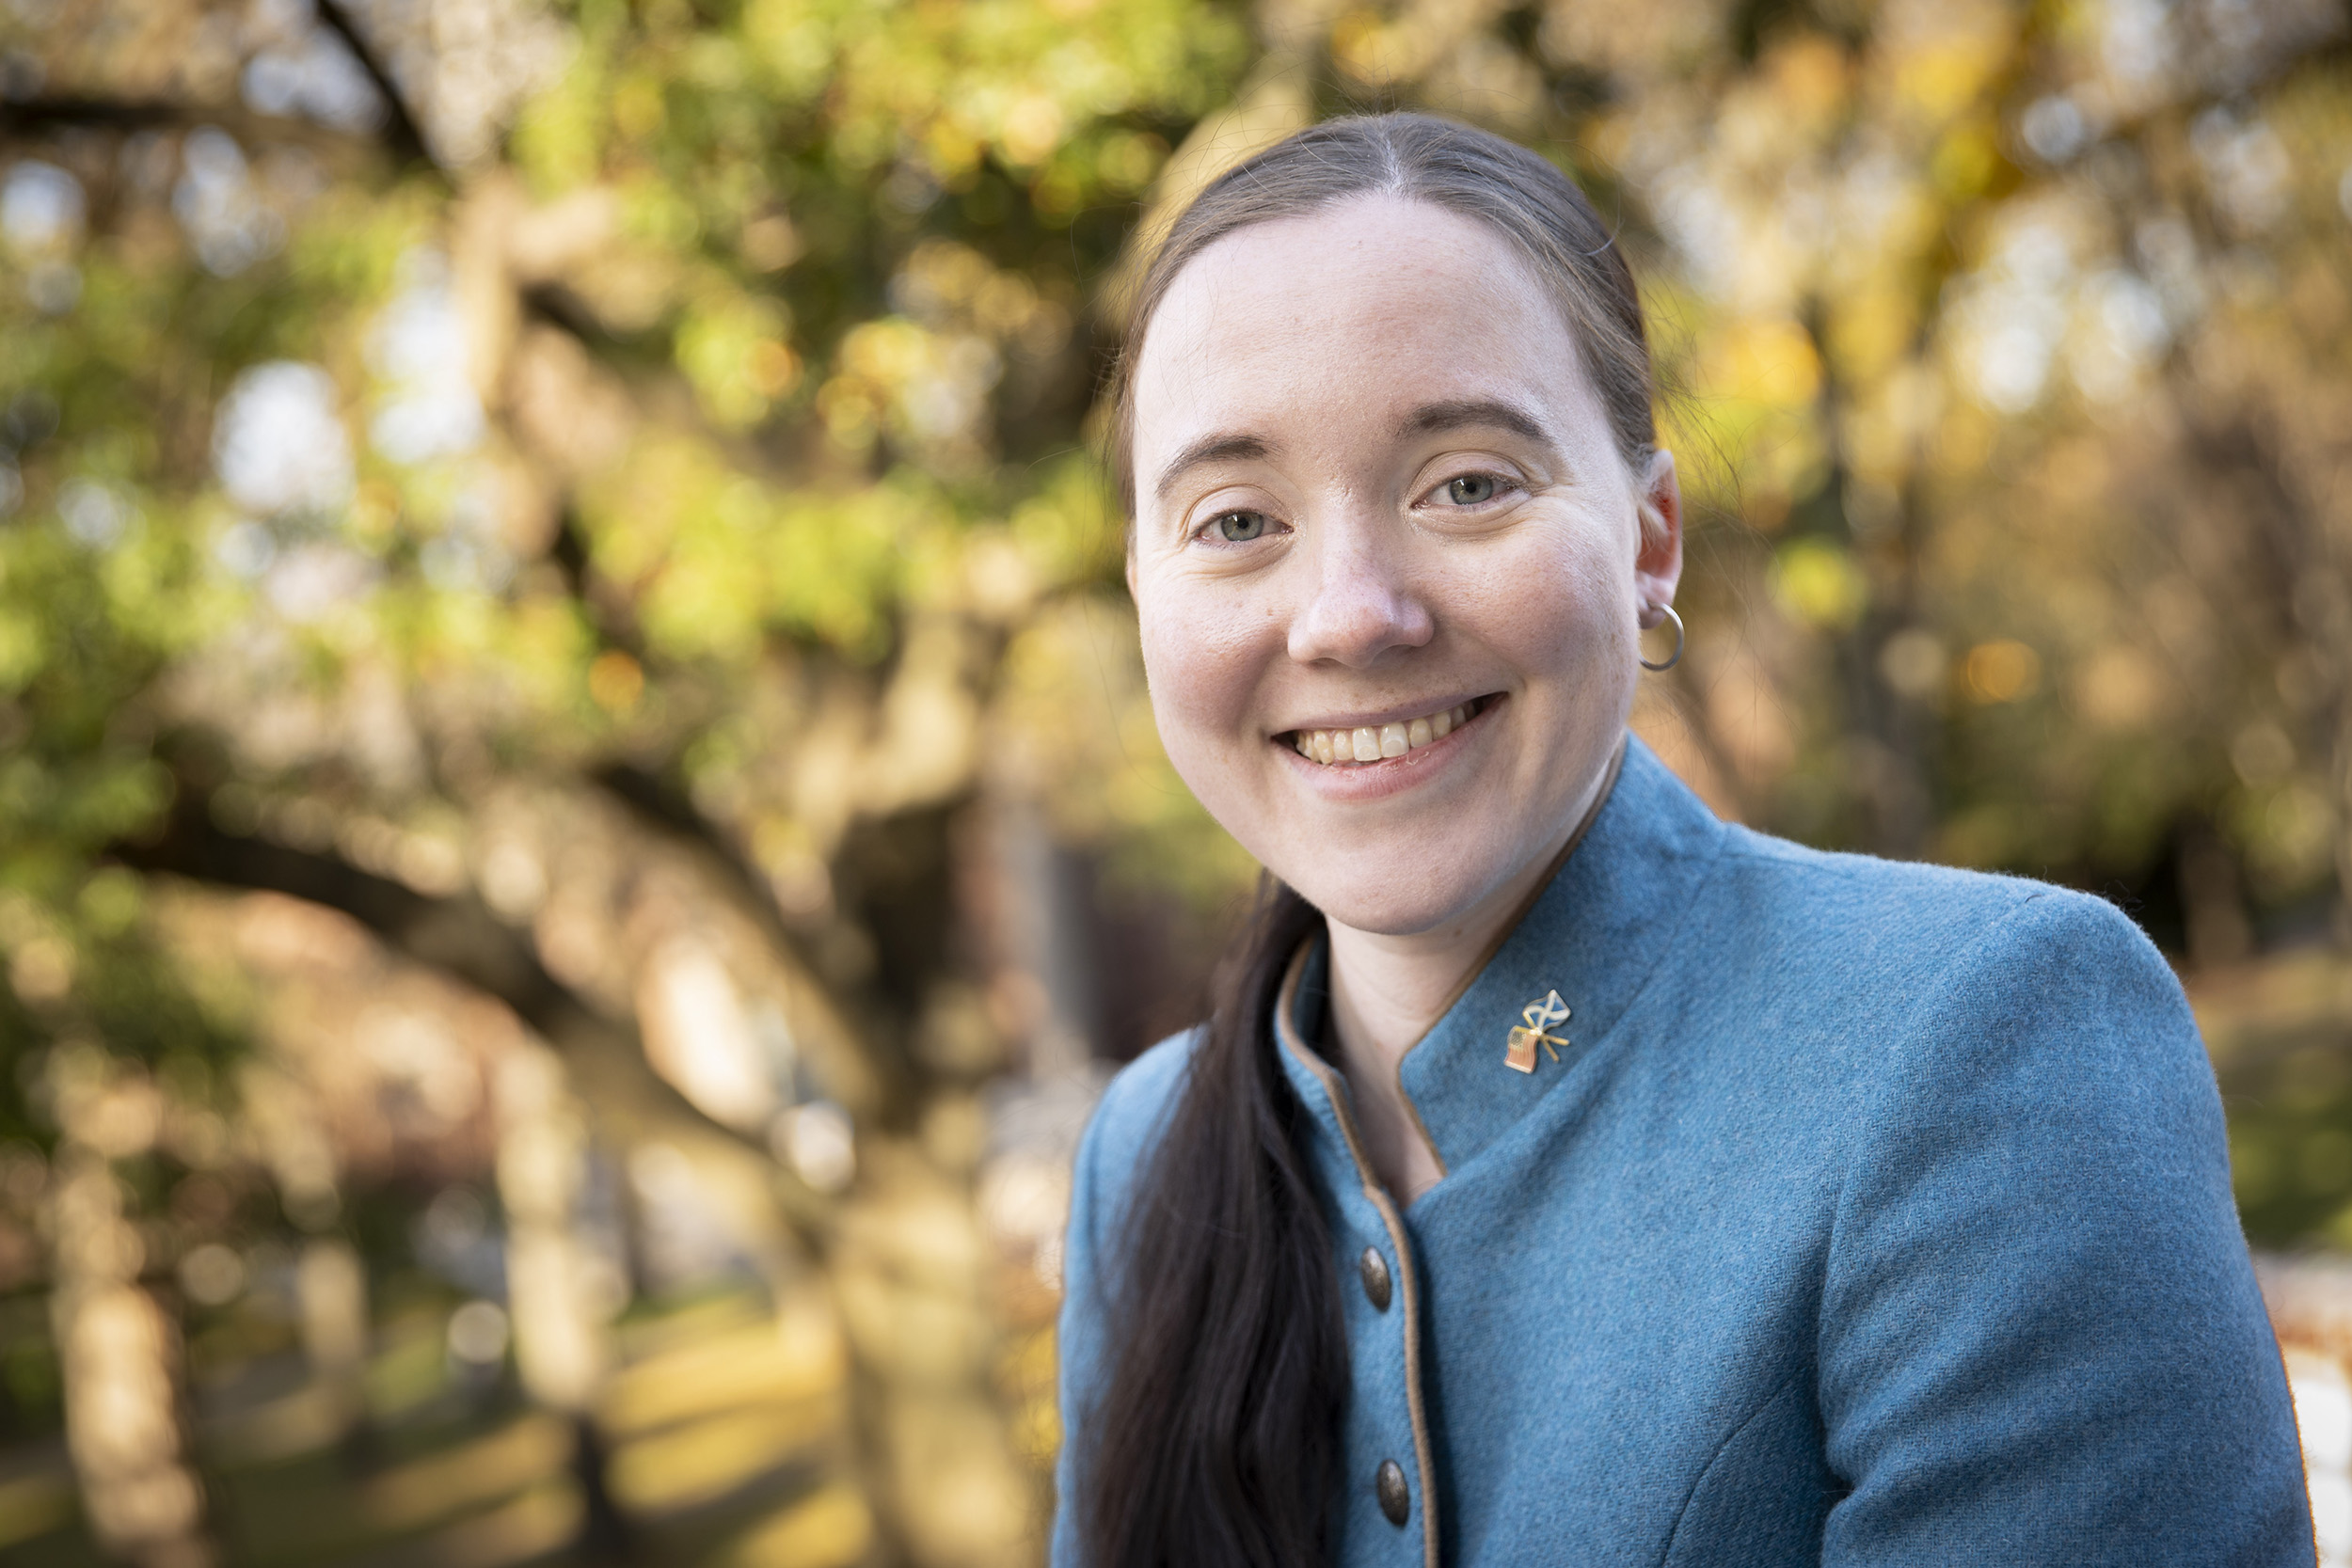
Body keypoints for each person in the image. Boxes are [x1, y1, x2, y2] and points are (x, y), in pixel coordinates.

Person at [1050, 112, 2312, 1567]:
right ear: (1143, 591)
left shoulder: (1978, 1045)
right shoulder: (1139, 1163)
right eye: (1233, 520)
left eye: (1467, 483)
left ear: (1649, 543)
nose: (1349, 613)